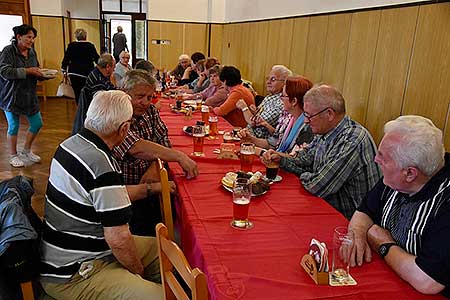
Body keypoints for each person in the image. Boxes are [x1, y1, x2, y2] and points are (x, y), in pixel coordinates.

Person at [40, 90, 163, 300]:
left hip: (67, 251)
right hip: (73, 273)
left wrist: (152, 189)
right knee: (161, 296)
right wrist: (137, 272)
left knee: (162, 248)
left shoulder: (70, 144)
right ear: (124, 128)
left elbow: (103, 199)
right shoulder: (102, 165)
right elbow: (118, 239)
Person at [348, 115, 450, 297]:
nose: (375, 160)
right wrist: (357, 234)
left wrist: (383, 244)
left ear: (410, 173)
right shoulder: (396, 178)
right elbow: (364, 212)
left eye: (382, 157)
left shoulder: (444, 202)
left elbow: (427, 281)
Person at [263, 84, 381, 219]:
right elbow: (305, 158)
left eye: (309, 115)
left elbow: (318, 186)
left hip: (349, 220)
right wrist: (281, 158)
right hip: (326, 206)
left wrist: (307, 174)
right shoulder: (325, 131)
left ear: (329, 114)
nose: (306, 121)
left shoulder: (352, 139)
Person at [113, 69, 198, 236]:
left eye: (149, 97)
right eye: (140, 96)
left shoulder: (150, 111)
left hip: (149, 185)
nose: (145, 102)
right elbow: (136, 147)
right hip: (124, 192)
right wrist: (178, 156)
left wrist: (154, 165)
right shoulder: (117, 115)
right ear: (124, 93)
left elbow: (164, 139)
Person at [0, 24, 46, 168]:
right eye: (29, 37)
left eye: (33, 38)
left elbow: (35, 69)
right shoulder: (8, 51)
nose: (31, 40)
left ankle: (26, 150)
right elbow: (4, 71)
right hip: (11, 95)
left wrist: (42, 75)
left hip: (29, 94)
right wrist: (27, 71)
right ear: (19, 37)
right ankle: (13, 155)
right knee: (13, 126)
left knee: (37, 123)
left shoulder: (32, 52)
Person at [239, 75, 313, 154]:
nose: (280, 98)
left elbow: (295, 160)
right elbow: (273, 143)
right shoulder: (288, 117)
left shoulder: (307, 126)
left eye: (283, 96)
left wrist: (261, 152)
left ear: (294, 101)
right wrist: (251, 139)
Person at [237, 65, 292, 139]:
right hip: (247, 134)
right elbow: (258, 117)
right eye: (267, 79)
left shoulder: (280, 102)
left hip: (257, 141)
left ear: (284, 83)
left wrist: (244, 108)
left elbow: (254, 123)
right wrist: (255, 112)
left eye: (273, 79)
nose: (268, 82)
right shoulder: (270, 96)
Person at [72, 53, 116, 134]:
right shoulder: (97, 80)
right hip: (98, 114)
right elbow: (101, 103)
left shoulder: (100, 74)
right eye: (114, 67)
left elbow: (111, 89)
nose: (114, 70)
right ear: (107, 67)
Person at [61, 28, 99, 104]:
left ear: (76, 37)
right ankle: (87, 110)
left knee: (77, 93)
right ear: (85, 36)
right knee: (87, 93)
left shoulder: (71, 46)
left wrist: (63, 69)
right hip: (87, 73)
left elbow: (66, 59)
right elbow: (97, 59)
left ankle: (79, 108)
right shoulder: (90, 46)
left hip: (74, 73)